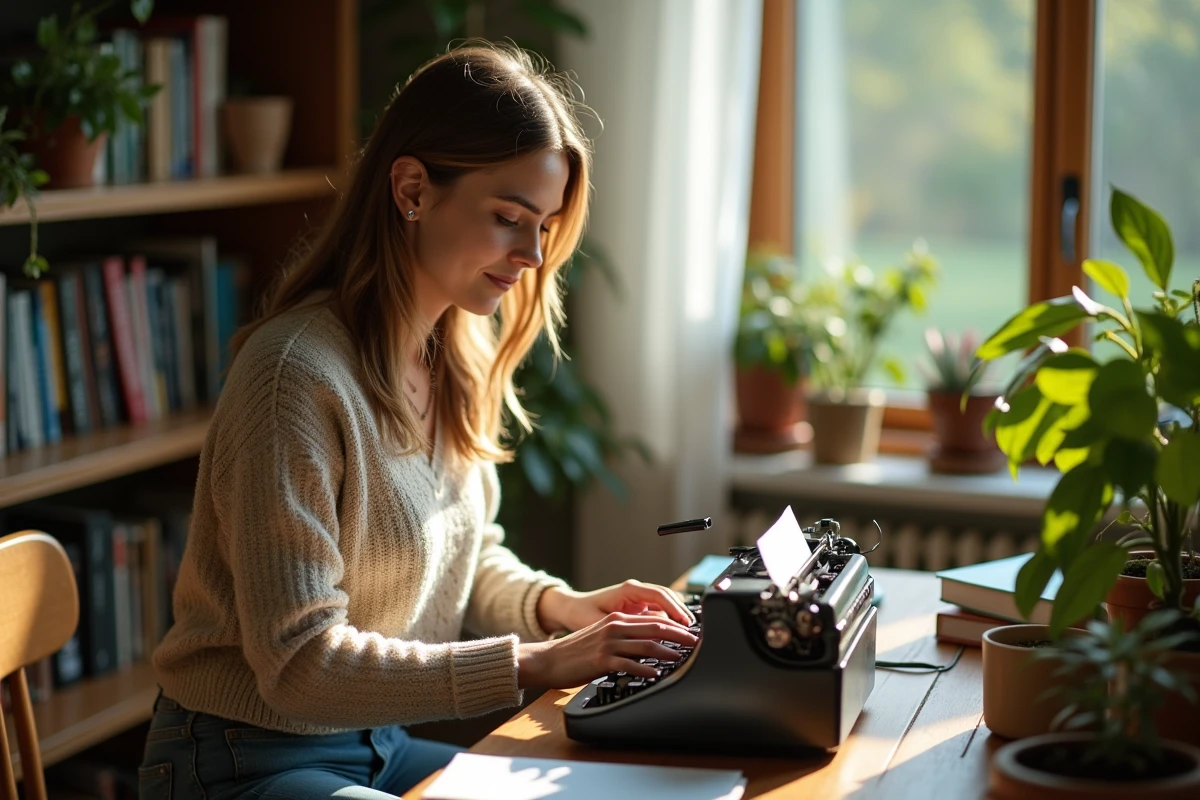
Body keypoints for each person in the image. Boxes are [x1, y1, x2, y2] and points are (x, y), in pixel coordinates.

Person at [136, 43, 698, 800]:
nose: (532, 253)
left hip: (376, 745)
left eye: (545, 225)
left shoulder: (454, 354)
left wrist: (560, 609)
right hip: (243, 760)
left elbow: (462, 561)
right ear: (411, 189)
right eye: (508, 218)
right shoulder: (292, 376)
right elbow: (299, 665)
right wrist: (537, 661)